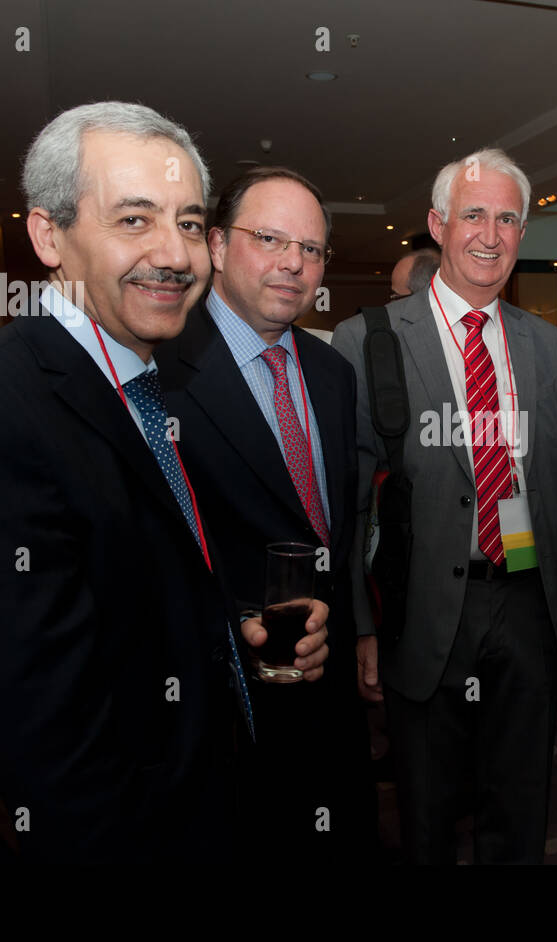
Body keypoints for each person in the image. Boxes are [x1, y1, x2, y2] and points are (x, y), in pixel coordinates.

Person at [0, 101, 329, 863]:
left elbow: (131, 598)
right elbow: (39, 743)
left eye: (188, 223)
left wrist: (238, 637)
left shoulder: (150, 389)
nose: (174, 254)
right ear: (48, 234)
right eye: (133, 220)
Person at [333, 148, 557, 864]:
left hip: (526, 604)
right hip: (421, 608)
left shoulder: (544, 345)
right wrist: (359, 622)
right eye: (473, 215)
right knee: (427, 811)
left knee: (520, 806)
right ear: (438, 224)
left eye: (507, 218)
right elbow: (354, 497)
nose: (490, 234)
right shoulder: (371, 339)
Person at [157, 165, 376, 861]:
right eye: (271, 238)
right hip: (222, 705)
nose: (293, 263)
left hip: (330, 696)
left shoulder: (333, 371)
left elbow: (337, 533)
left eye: (311, 249)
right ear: (217, 246)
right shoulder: (157, 369)